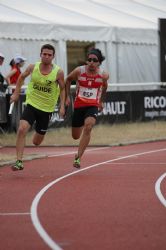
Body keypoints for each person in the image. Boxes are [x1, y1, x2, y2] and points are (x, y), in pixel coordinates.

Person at [10, 44, 65, 171]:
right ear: (40, 54)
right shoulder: (32, 67)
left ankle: (37, 130)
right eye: (44, 54)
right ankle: (19, 161)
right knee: (22, 129)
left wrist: (62, 105)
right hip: (32, 104)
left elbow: (62, 89)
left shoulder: (58, 72)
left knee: (36, 142)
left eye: (49, 55)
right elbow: (21, 77)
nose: (46, 56)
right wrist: (16, 93)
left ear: (53, 56)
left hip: (46, 109)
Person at [65, 48, 109, 168]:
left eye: (94, 60)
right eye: (89, 59)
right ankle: (79, 147)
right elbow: (68, 80)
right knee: (75, 136)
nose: (91, 62)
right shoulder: (79, 71)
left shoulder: (103, 75)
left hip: (92, 105)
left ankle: (78, 157)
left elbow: (105, 87)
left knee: (89, 127)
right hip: (79, 105)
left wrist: (101, 101)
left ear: (99, 63)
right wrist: (67, 97)